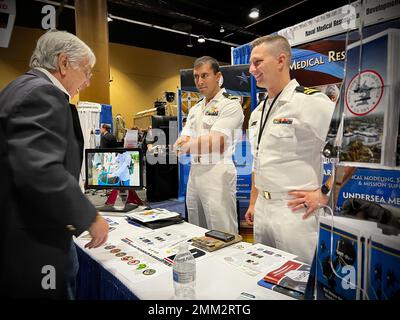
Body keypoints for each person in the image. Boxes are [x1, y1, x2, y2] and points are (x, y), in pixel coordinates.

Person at [0, 30, 109, 299]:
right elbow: (41, 170)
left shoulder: (19, 87)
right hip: (33, 243)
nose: (87, 81)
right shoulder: (41, 94)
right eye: (86, 71)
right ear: (63, 63)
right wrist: (89, 216)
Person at [245, 35, 335, 264]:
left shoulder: (312, 102)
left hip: (295, 212)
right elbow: (259, 160)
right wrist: (254, 202)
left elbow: (355, 148)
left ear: (281, 60)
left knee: (300, 280)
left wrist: (325, 193)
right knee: (264, 275)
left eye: (257, 62)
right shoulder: (257, 113)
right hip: (263, 210)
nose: (250, 69)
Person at [174, 56, 244, 234]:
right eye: (196, 76)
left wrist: (188, 144)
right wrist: (189, 144)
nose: (199, 81)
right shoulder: (195, 108)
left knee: (221, 229)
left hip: (217, 171)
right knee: (196, 227)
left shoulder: (230, 105)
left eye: (205, 75)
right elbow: (181, 141)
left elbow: (216, 143)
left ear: (218, 76)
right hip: (195, 171)